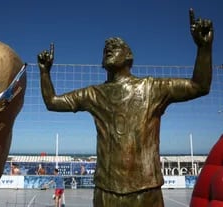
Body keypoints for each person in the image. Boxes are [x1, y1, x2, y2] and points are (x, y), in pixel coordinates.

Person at [38, 9, 213, 207]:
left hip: (146, 190)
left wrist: (204, 48)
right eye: (105, 49)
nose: (109, 48)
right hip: (106, 191)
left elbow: (199, 86)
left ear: (129, 56)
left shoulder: (152, 88)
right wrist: (44, 73)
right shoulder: (93, 94)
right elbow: (52, 102)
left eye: (116, 46)